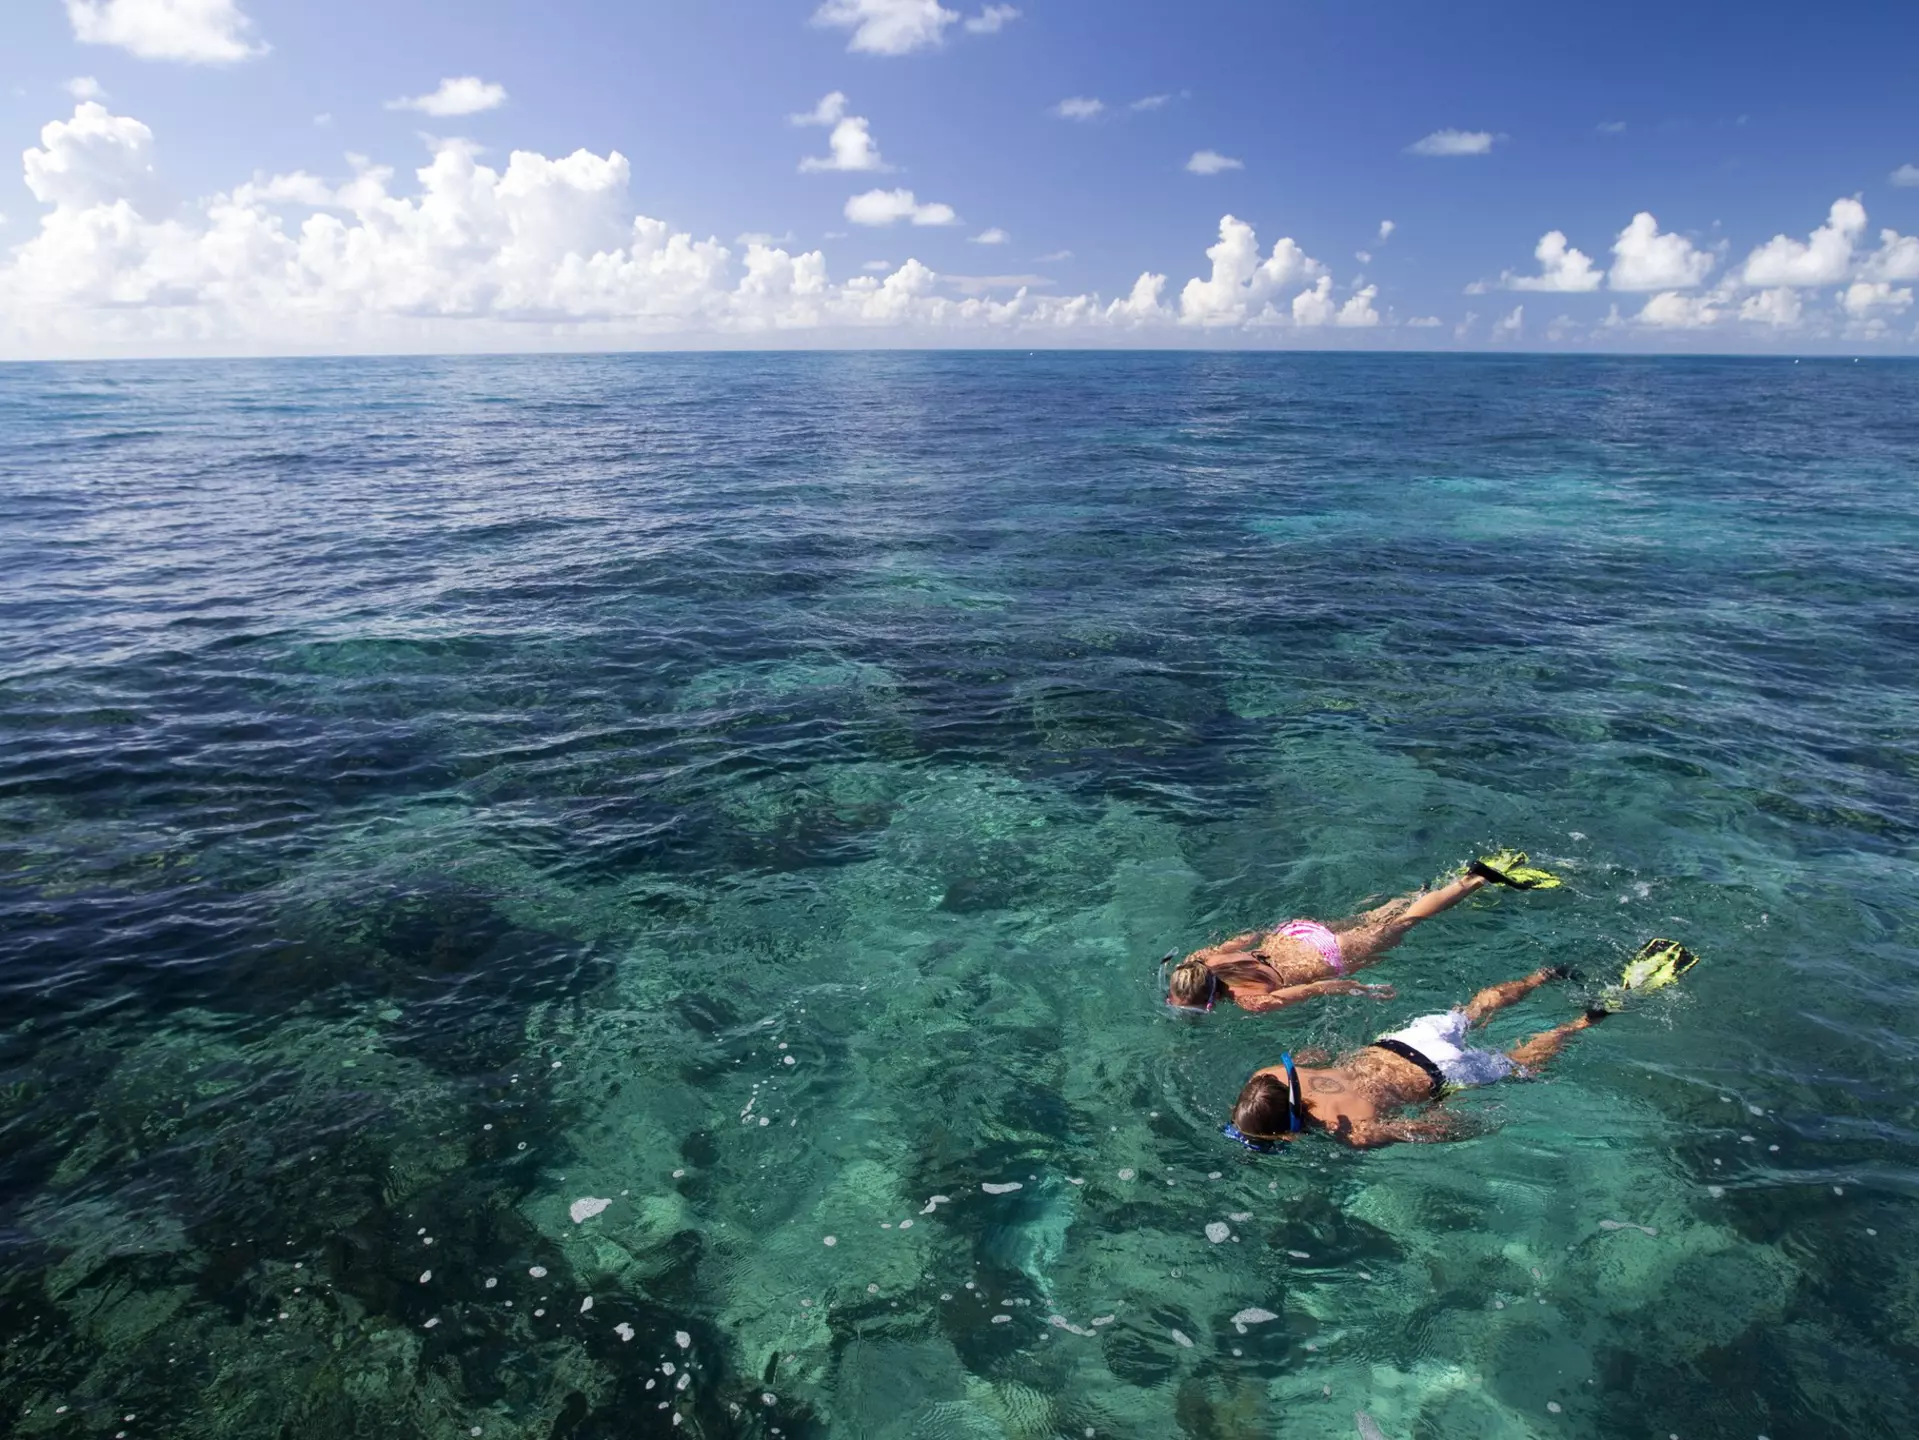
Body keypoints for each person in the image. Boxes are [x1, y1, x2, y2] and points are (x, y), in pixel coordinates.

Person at [1220, 939, 1699, 1151]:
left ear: (1285, 1132)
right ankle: (1545, 975)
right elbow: (1312, 1056)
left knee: (1518, 1064)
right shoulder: (1272, 1073)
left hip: (1440, 1076)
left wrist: (1463, 1124)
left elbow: (1430, 1130)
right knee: (1473, 1010)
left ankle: (1584, 1020)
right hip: (1404, 1041)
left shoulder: (1355, 1135)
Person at [1163, 850, 1562, 1014]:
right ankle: (1414, 892)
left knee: (1407, 923)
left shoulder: (1252, 1002)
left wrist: (1364, 990)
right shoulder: (1200, 960)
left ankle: (1475, 880)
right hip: (1295, 934)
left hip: (1328, 956)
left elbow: (1316, 989)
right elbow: (1248, 937)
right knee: (1377, 919)